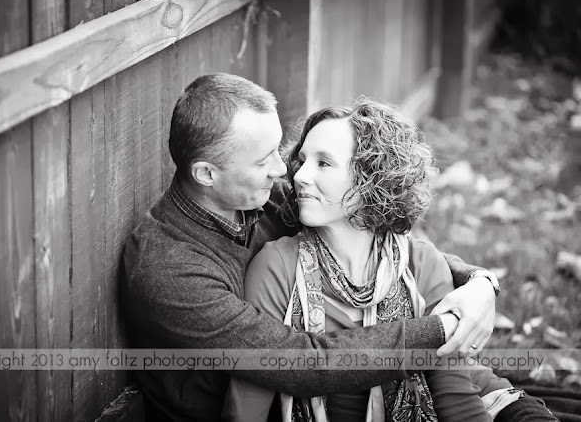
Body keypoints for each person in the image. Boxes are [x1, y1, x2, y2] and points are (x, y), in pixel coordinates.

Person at [120, 73, 501, 421]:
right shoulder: (167, 269)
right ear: (207, 174)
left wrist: (478, 283)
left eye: (279, 150)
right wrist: (442, 329)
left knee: (492, 395)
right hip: (273, 400)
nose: (284, 170)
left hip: (362, 383)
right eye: (263, 159)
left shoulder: (260, 197)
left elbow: (378, 235)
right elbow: (302, 362)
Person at [224, 97, 556, 421]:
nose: (298, 176)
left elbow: (455, 399)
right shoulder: (276, 268)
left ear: (372, 178)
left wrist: (483, 282)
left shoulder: (422, 265)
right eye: (302, 160)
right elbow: (248, 401)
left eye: (323, 163)